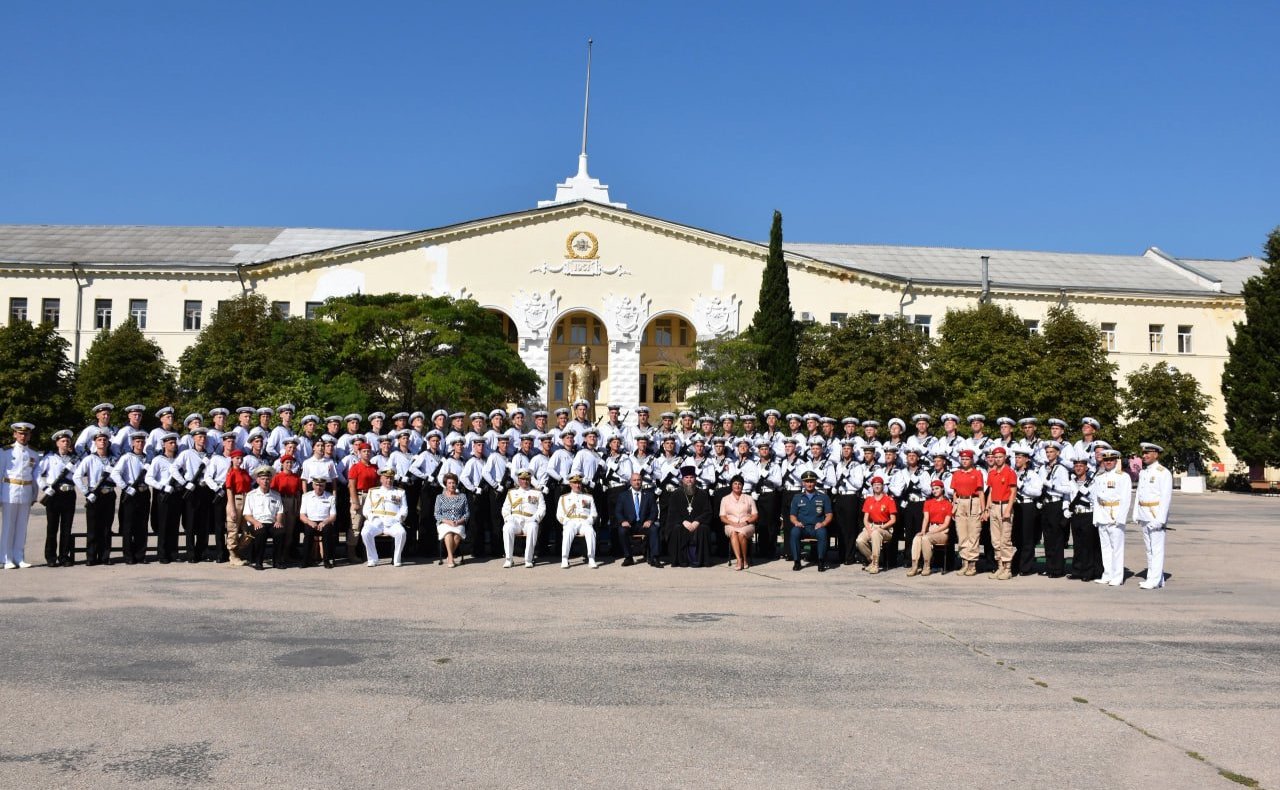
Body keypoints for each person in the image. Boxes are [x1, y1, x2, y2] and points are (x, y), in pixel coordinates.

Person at [74, 428, 118, 565]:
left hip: (109, 494)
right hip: (95, 494)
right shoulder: (89, 459)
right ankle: (91, 557)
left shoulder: (114, 460)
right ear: (95, 442)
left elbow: (121, 477)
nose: (102, 442)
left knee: (106, 527)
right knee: (93, 528)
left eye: (105, 440)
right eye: (99, 440)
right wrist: (86, 492)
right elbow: (77, 476)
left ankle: (105, 556)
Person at [1, 422, 41, 569]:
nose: (23, 436)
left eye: (26, 434)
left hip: (25, 491)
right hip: (9, 490)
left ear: (30, 435)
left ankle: (19, 557)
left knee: (22, 526)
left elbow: (35, 476)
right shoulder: (5, 452)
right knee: (8, 526)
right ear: (15, 434)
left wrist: (34, 495)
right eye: (20, 433)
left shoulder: (33, 454)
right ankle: (6, 558)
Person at [1134, 442, 1173, 589]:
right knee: (1149, 549)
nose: (1144, 456)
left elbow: (1165, 498)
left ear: (1156, 454)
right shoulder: (1144, 472)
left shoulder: (1163, 472)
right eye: (1143, 453)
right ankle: (1155, 577)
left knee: (1156, 549)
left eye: (1147, 453)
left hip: (1155, 514)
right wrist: (1136, 512)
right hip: (1144, 513)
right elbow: (1139, 493)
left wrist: (1160, 520)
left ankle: (1154, 580)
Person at [37, 429, 78, 567]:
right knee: (52, 527)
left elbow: (79, 474)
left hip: (69, 494)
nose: (66, 443)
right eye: (63, 441)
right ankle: (51, 557)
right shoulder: (49, 458)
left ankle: (64, 556)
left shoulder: (75, 459)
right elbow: (37, 474)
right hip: (54, 494)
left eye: (67, 441)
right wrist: (44, 487)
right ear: (57, 443)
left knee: (67, 528)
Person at [1090, 449, 1132, 587]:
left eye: (1111, 460)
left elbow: (1126, 499)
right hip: (1102, 514)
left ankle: (1117, 576)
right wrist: (1096, 517)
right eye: (1105, 460)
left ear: (1116, 461)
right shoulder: (1099, 477)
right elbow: (1095, 499)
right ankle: (1107, 574)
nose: (1108, 462)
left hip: (1115, 514)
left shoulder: (1123, 477)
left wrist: (1121, 518)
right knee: (1105, 548)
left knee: (1116, 548)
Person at [111, 430, 152, 564]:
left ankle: (141, 555)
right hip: (130, 492)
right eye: (137, 441)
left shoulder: (147, 458)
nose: (140, 444)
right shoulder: (127, 457)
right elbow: (115, 473)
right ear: (133, 443)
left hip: (144, 492)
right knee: (128, 525)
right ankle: (128, 556)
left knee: (142, 525)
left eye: (142, 441)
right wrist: (125, 487)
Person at [665, 466, 714, 568]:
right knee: (677, 528)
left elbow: (708, 512)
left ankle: (699, 560)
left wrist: (697, 521)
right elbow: (672, 512)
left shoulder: (702, 494)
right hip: (682, 523)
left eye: (691, 477)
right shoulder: (676, 494)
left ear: (695, 478)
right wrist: (683, 521)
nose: (689, 480)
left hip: (698, 524)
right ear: (682, 479)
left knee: (704, 528)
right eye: (686, 477)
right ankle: (681, 560)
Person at [949, 449, 986, 576]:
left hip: (973, 502)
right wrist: (954, 507)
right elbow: (954, 492)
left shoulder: (977, 473)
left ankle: (972, 564)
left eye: (967, 459)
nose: (964, 461)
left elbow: (981, 492)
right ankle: (964, 562)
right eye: (963, 459)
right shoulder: (957, 474)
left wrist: (983, 509)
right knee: (962, 534)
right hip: (960, 502)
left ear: (972, 460)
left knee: (973, 534)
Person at [361, 467, 408, 567]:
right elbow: (366, 509)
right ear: (381, 479)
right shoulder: (373, 491)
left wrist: (398, 519)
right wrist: (372, 518)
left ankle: (396, 559)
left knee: (402, 533)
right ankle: (373, 558)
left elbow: (404, 509)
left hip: (392, 522)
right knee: (365, 532)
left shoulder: (400, 492)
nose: (389, 480)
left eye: (391, 478)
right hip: (376, 522)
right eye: (386, 478)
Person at [788, 470, 833, 572]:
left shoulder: (823, 497)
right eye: (807, 481)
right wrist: (796, 522)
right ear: (803, 483)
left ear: (815, 482)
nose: (809, 484)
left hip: (816, 527)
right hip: (802, 527)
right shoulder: (797, 497)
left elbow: (829, 515)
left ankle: (821, 561)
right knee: (794, 532)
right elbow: (792, 516)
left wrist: (823, 523)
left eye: (811, 481)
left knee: (823, 532)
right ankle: (797, 561)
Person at [984, 446, 1018, 580]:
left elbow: (1013, 492)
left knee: (1005, 540)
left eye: (1000, 457)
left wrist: (1009, 509)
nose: (997, 459)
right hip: (994, 506)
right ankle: (1000, 567)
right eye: (995, 457)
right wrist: (987, 509)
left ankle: (1008, 568)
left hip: (1005, 506)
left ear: (1005, 457)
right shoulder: (992, 473)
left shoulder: (1010, 472)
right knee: (995, 540)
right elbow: (991, 491)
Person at [500, 469, 545, 568]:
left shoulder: (537, 493)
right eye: (522, 479)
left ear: (530, 479)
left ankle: (528, 559)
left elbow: (542, 508)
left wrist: (536, 518)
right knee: (507, 527)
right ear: (518, 480)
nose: (525, 481)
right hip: (515, 519)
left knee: (533, 527)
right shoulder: (511, 493)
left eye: (527, 479)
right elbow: (505, 508)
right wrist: (508, 518)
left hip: (530, 519)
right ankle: (509, 559)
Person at [908, 480, 954, 576]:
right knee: (917, 538)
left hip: (942, 531)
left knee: (926, 538)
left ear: (942, 489)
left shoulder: (948, 504)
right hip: (930, 528)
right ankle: (915, 565)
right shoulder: (928, 502)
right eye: (933, 489)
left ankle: (926, 565)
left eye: (937, 488)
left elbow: (946, 524)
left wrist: (933, 532)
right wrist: (923, 530)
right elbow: (926, 518)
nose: (934, 491)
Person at [1066, 457, 1101, 581]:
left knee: (1088, 545)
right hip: (1076, 514)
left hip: (1088, 514)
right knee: (1078, 544)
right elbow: (1068, 497)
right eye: (1076, 466)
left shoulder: (1093, 482)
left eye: (1081, 466)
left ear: (1086, 468)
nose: (1078, 468)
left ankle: (1088, 572)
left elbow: (1096, 499)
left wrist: (1087, 493)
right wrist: (1066, 509)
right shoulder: (1071, 482)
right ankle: (1077, 570)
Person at [243, 466, 285, 570]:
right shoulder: (251, 495)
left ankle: (277, 562)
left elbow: (280, 511)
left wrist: (278, 521)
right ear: (257, 480)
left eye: (267, 479)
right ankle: (258, 562)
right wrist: (256, 522)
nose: (265, 481)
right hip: (256, 523)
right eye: (262, 479)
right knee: (261, 532)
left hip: (271, 523)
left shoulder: (276, 495)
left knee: (280, 531)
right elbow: (247, 515)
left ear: (271, 480)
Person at [615, 471, 660, 566]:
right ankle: (628, 557)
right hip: (629, 524)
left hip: (644, 524)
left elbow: (654, 511)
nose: (637, 482)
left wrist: (650, 520)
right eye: (634, 480)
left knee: (654, 529)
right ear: (630, 482)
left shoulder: (649, 495)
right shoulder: (623, 496)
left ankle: (654, 557)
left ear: (642, 481)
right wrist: (622, 521)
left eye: (639, 480)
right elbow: (618, 511)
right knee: (622, 531)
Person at [556, 473, 599, 568]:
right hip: (571, 521)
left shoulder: (588, 497)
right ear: (570, 484)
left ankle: (591, 558)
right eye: (574, 483)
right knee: (568, 531)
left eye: (579, 482)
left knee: (591, 531)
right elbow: (559, 514)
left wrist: (589, 521)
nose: (577, 485)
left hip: (585, 522)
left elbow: (594, 513)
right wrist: (566, 522)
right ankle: (564, 558)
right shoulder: (564, 498)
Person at [856, 475, 897, 573]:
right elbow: (865, 519)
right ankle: (871, 559)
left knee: (875, 534)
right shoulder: (869, 500)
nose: (877, 487)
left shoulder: (889, 500)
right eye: (875, 485)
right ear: (872, 487)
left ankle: (875, 564)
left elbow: (893, 520)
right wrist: (869, 530)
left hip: (885, 527)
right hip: (872, 525)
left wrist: (882, 527)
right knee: (859, 540)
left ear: (883, 486)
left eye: (879, 485)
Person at [1011, 448, 1043, 576]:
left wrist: (1022, 486)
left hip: (1027, 505)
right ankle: (1017, 564)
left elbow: (1037, 492)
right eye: (1016, 457)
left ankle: (1025, 567)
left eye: (1020, 457)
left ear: (1027, 459)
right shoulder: (1013, 472)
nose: (1017, 460)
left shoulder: (1032, 474)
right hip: (1015, 506)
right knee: (1016, 538)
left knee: (1027, 538)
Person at [720, 474, 758, 571]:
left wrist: (746, 522)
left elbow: (755, 515)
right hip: (730, 524)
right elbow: (722, 517)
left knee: (741, 534)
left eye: (739, 484)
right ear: (731, 485)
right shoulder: (725, 499)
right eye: (735, 484)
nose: (737, 486)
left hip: (747, 524)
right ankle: (739, 560)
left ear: (742, 486)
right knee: (733, 532)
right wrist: (731, 523)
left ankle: (745, 559)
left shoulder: (749, 498)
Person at [299, 475, 337, 568]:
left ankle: (327, 561)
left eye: (321, 485)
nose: (319, 487)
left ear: (324, 486)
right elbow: (302, 515)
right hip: (311, 521)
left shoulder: (330, 497)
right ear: (313, 485)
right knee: (308, 533)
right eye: (316, 485)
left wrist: (324, 522)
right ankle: (305, 560)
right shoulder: (306, 496)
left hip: (325, 521)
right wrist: (309, 522)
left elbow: (333, 516)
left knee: (327, 532)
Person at [434, 472, 469, 568]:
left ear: (456, 484)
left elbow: (467, 513)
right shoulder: (440, 497)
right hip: (444, 522)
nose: (452, 485)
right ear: (445, 484)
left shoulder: (462, 496)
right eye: (449, 483)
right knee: (448, 533)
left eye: (453, 483)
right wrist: (448, 521)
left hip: (458, 522)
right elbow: (437, 514)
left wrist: (458, 521)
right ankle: (450, 556)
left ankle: (450, 556)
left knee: (457, 535)